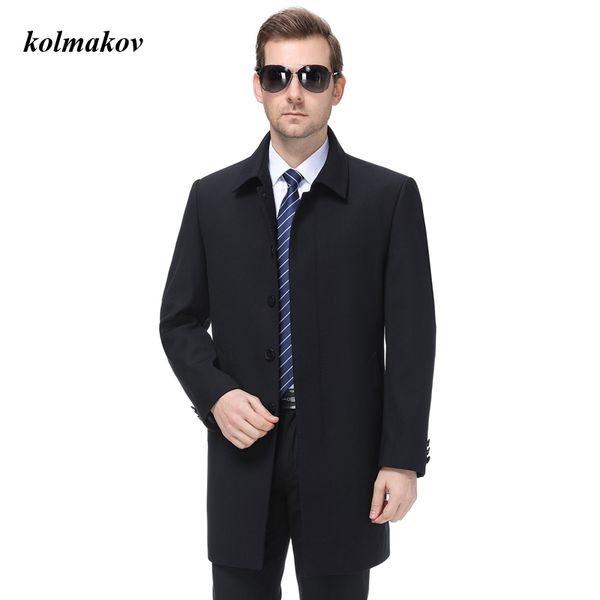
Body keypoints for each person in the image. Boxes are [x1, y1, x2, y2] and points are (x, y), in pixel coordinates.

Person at [159, 7, 436, 600]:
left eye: (312, 76)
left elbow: (413, 339)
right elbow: (178, 320)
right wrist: (216, 394)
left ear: (338, 88)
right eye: (278, 76)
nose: (294, 92)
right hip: (243, 448)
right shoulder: (212, 198)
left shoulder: (388, 198)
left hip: (347, 457)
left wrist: (402, 458)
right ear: (257, 86)